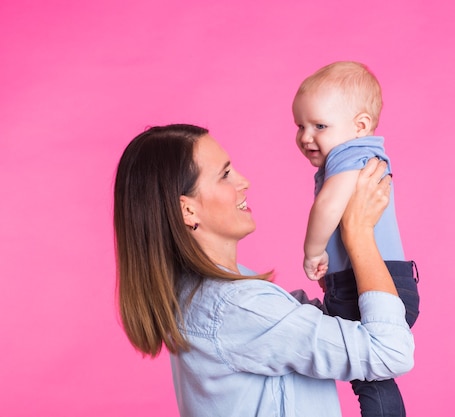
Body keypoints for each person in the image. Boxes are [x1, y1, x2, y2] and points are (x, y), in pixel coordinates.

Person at [113, 123, 414, 417]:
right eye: (225, 175)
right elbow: (390, 352)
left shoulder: (200, 292)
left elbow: (317, 331)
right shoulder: (235, 306)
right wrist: (359, 232)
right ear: (187, 210)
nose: (243, 182)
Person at [292, 61, 420, 417]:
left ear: (360, 126)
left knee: (368, 372)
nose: (305, 136)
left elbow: (330, 204)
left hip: (375, 286)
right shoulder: (347, 156)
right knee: (371, 378)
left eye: (319, 125)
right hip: (362, 283)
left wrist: (312, 251)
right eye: (300, 126)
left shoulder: (355, 153)